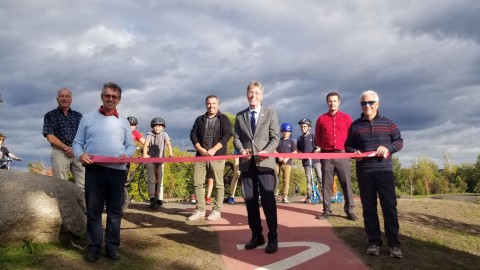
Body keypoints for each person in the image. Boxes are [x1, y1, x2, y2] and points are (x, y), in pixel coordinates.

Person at [73, 82, 136, 262]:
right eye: (107, 95)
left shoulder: (123, 122)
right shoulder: (87, 119)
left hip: (117, 172)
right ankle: (93, 247)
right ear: (102, 97)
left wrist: (127, 154)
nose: (110, 99)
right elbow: (77, 142)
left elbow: (131, 145)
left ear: (119, 100)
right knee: (94, 211)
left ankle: (112, 248)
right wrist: (80, 155)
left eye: (114, 97)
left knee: (115, 212)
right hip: (94, 171)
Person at [345, 90, 403, 259]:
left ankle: (394, 245)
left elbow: (399, 141)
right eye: (363, 103)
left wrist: (388, 148)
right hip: (365, 172)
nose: (367, 106)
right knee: (369, 209)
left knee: (389, 207)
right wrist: (353, 151)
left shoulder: (388, 123)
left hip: (384, 171)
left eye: (370, 103)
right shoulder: (355, 125)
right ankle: (374, 242)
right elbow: (347, 145)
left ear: (377, 104)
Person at [233, 81, 280, 254]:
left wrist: (266, 151)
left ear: (262, 95)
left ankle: (273, 238)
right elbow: (236, 138)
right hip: (247, 165)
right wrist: (241, 149)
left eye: (256, 93)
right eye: (250, 92)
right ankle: (257, 236)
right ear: (247, 95)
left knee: (268, 202)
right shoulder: (240, 116)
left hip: (265, 164)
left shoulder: (270, 113)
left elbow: (275, 138)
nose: (253, 96)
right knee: (250, 202)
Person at [189, 95, 232, 221]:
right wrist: (200, 149)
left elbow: (227, 134)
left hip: (217, 156)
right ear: (205, 104)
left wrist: (214, 149)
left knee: (219, 184)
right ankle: (200, 210)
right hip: (200, 157)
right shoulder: (199, 119)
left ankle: (217, 211)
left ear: (218, 104)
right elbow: (193, 134)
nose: (211, 106)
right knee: (197, 182)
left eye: (214, 103)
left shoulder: (224, 119)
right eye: (209, 103)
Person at [314, 92, 357, 221]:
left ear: (339, 102)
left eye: (334, 101)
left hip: (343, 154)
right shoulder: (321, 119)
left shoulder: (347, 118)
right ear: (327, 103)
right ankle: (327, 210)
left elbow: (352, 136)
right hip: (326, 155)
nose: (332, 103)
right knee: (326, 184)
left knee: (346, 183)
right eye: (330, 101)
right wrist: (324, 147)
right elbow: (318, 138)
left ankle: (349, 210)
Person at [43, 88, 85, 189]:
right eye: (62, 96)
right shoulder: (50, 115)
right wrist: (66, 148)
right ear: (57, 99)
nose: (64, 98)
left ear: (71, 99)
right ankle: (63, 205)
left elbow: (84, 135)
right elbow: (50, 136)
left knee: (83, 184)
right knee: (61, 185)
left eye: (67, 96)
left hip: (77, 152)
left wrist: (75, 149)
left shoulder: (78, 116)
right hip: (59, 152)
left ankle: (82, 205)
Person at [143, 117, 173, 209]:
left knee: (160, 179)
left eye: (159, 126)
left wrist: (171, 154)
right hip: (150, 159)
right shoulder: (149, 134)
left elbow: (168, 144)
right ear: (152, 127)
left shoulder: (164, 134)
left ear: (162, 127)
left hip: (160, 159)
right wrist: (144, 154)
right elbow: (146, 144)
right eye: (155, 126)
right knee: (151, 179)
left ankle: (160, 198)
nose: (157, 128)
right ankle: (152, 197)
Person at [296, 118, 322, 203]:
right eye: (301, 126)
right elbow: (299, 150)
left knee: (320, 176)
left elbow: (319, 146)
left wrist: (317, 149)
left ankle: (325, 194)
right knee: (309, 179)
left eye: (305, 126)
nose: (303, 128)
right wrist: (299, 155)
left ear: (309, 127)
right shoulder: (299, 139)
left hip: (316, 160)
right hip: (306, 162)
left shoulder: (313, 136)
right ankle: (309, 196)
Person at [274, 123, 297, 203]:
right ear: (281, 132)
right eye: (284, 131)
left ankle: (285, 196)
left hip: (287, 163)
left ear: (290, 132)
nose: (285, 133)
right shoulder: (278, 141)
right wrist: (279, 157)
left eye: (287, 131)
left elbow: (294, 152)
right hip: (278, 163)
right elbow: (274, 150)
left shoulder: (292, 141)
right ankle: (275, 195)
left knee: (286, 180)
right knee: (275, 178)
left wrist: (287, 158)